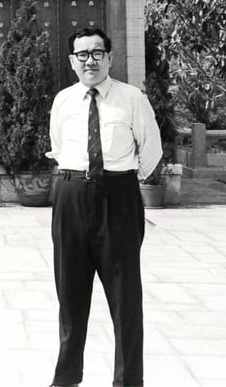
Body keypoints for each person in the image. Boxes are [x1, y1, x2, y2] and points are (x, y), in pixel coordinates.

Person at [46, 27, 161, 387]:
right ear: (72, 61)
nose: (90, 60)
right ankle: (66, 378)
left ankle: (128, 382)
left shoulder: (132, 98)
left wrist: (123, 183)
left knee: (125, 298)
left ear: (109, 58)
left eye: (97, 53)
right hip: (71, 195)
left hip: (118, 199)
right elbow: (59, 144)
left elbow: (151, 149)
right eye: (82, 54)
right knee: (70, 296)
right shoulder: (63, 100)